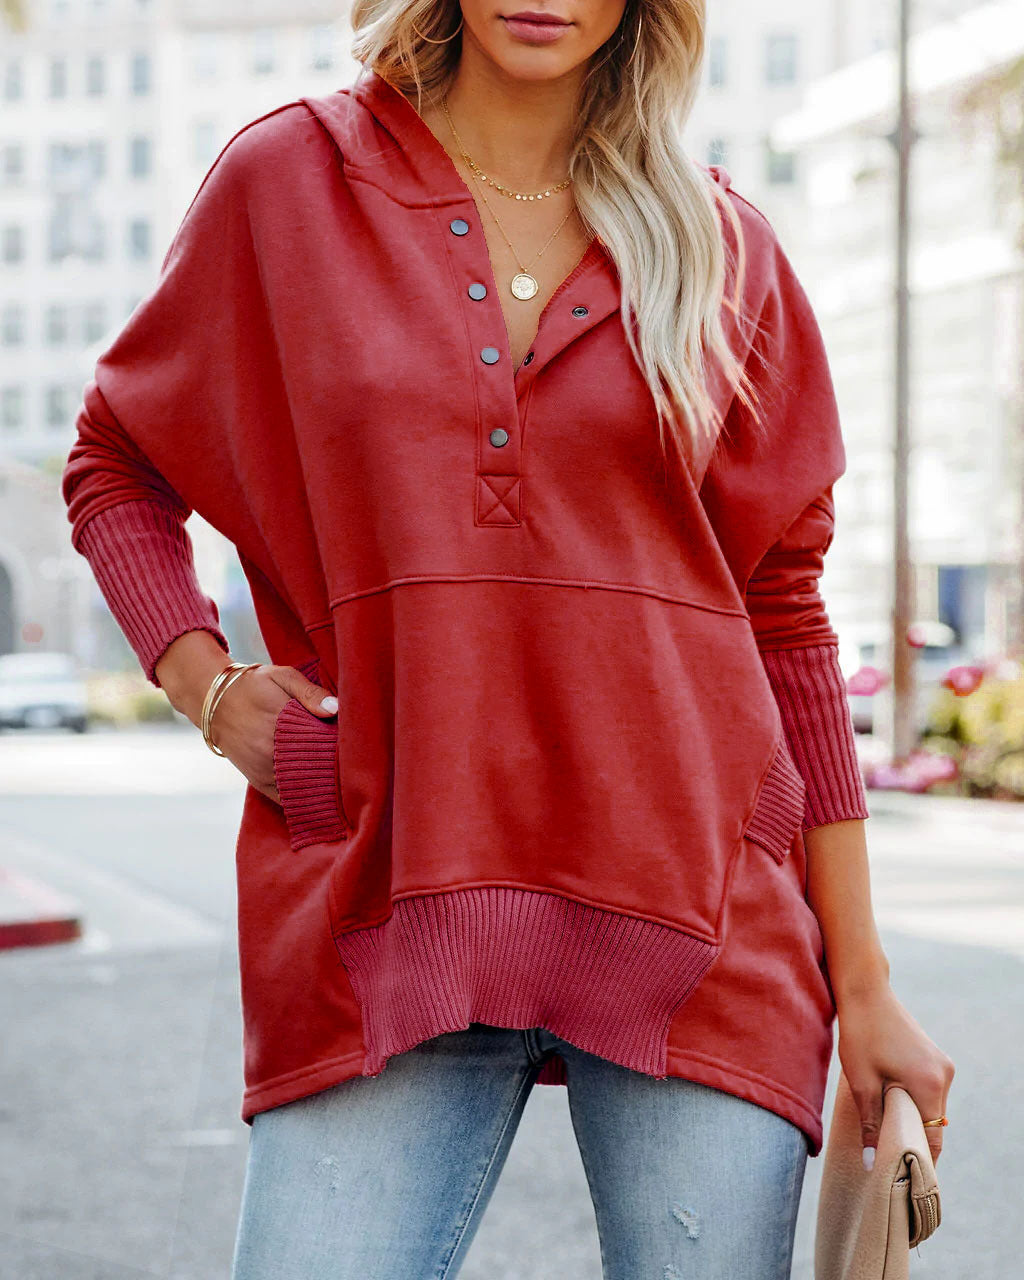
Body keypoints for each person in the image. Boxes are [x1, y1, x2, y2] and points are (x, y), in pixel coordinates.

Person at [61, 1, 955, 1276]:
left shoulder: (721, 244)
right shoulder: (290, 182)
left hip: (701, 920)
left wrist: (862, 980)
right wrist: (205, 684)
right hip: (388, 891)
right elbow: (117, 458)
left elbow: (786, 622)